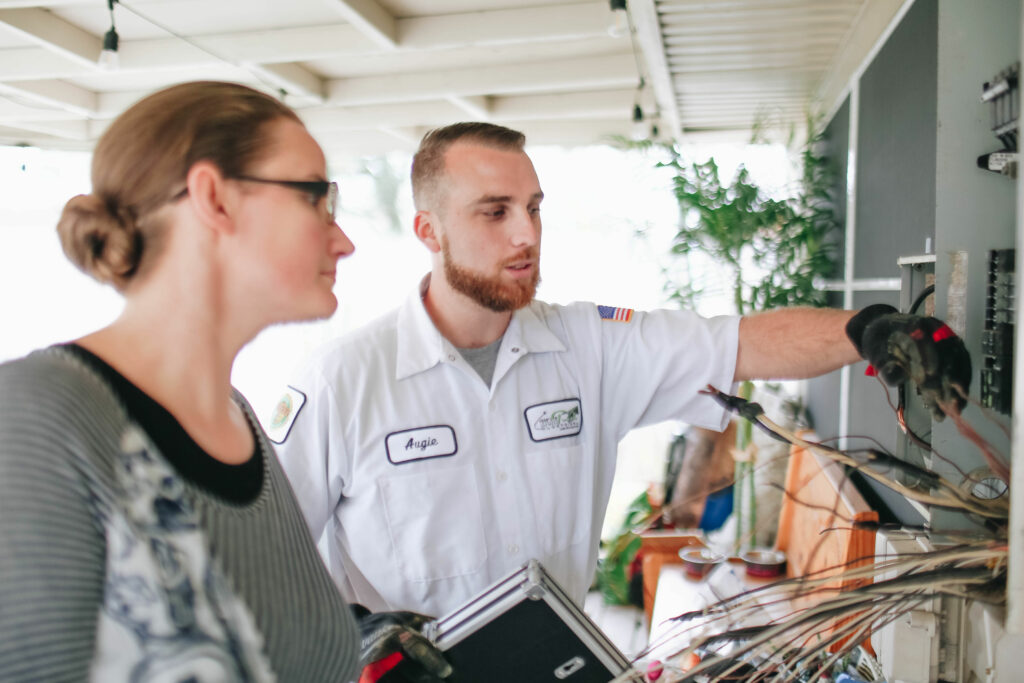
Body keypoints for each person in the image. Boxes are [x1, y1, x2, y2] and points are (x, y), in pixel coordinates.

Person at [272, 122, 968, 623]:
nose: (527, 234)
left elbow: (737, 342)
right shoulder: (343, 382)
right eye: (496, 212)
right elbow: (270, 563)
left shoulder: (587, 346)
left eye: (535, 208)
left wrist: (868, 330)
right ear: (428, 230)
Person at [0, 81, 361, 681]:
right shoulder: (38, 419)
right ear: (213, 199)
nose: (342, 239)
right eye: (313, 196)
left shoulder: (240, 422)